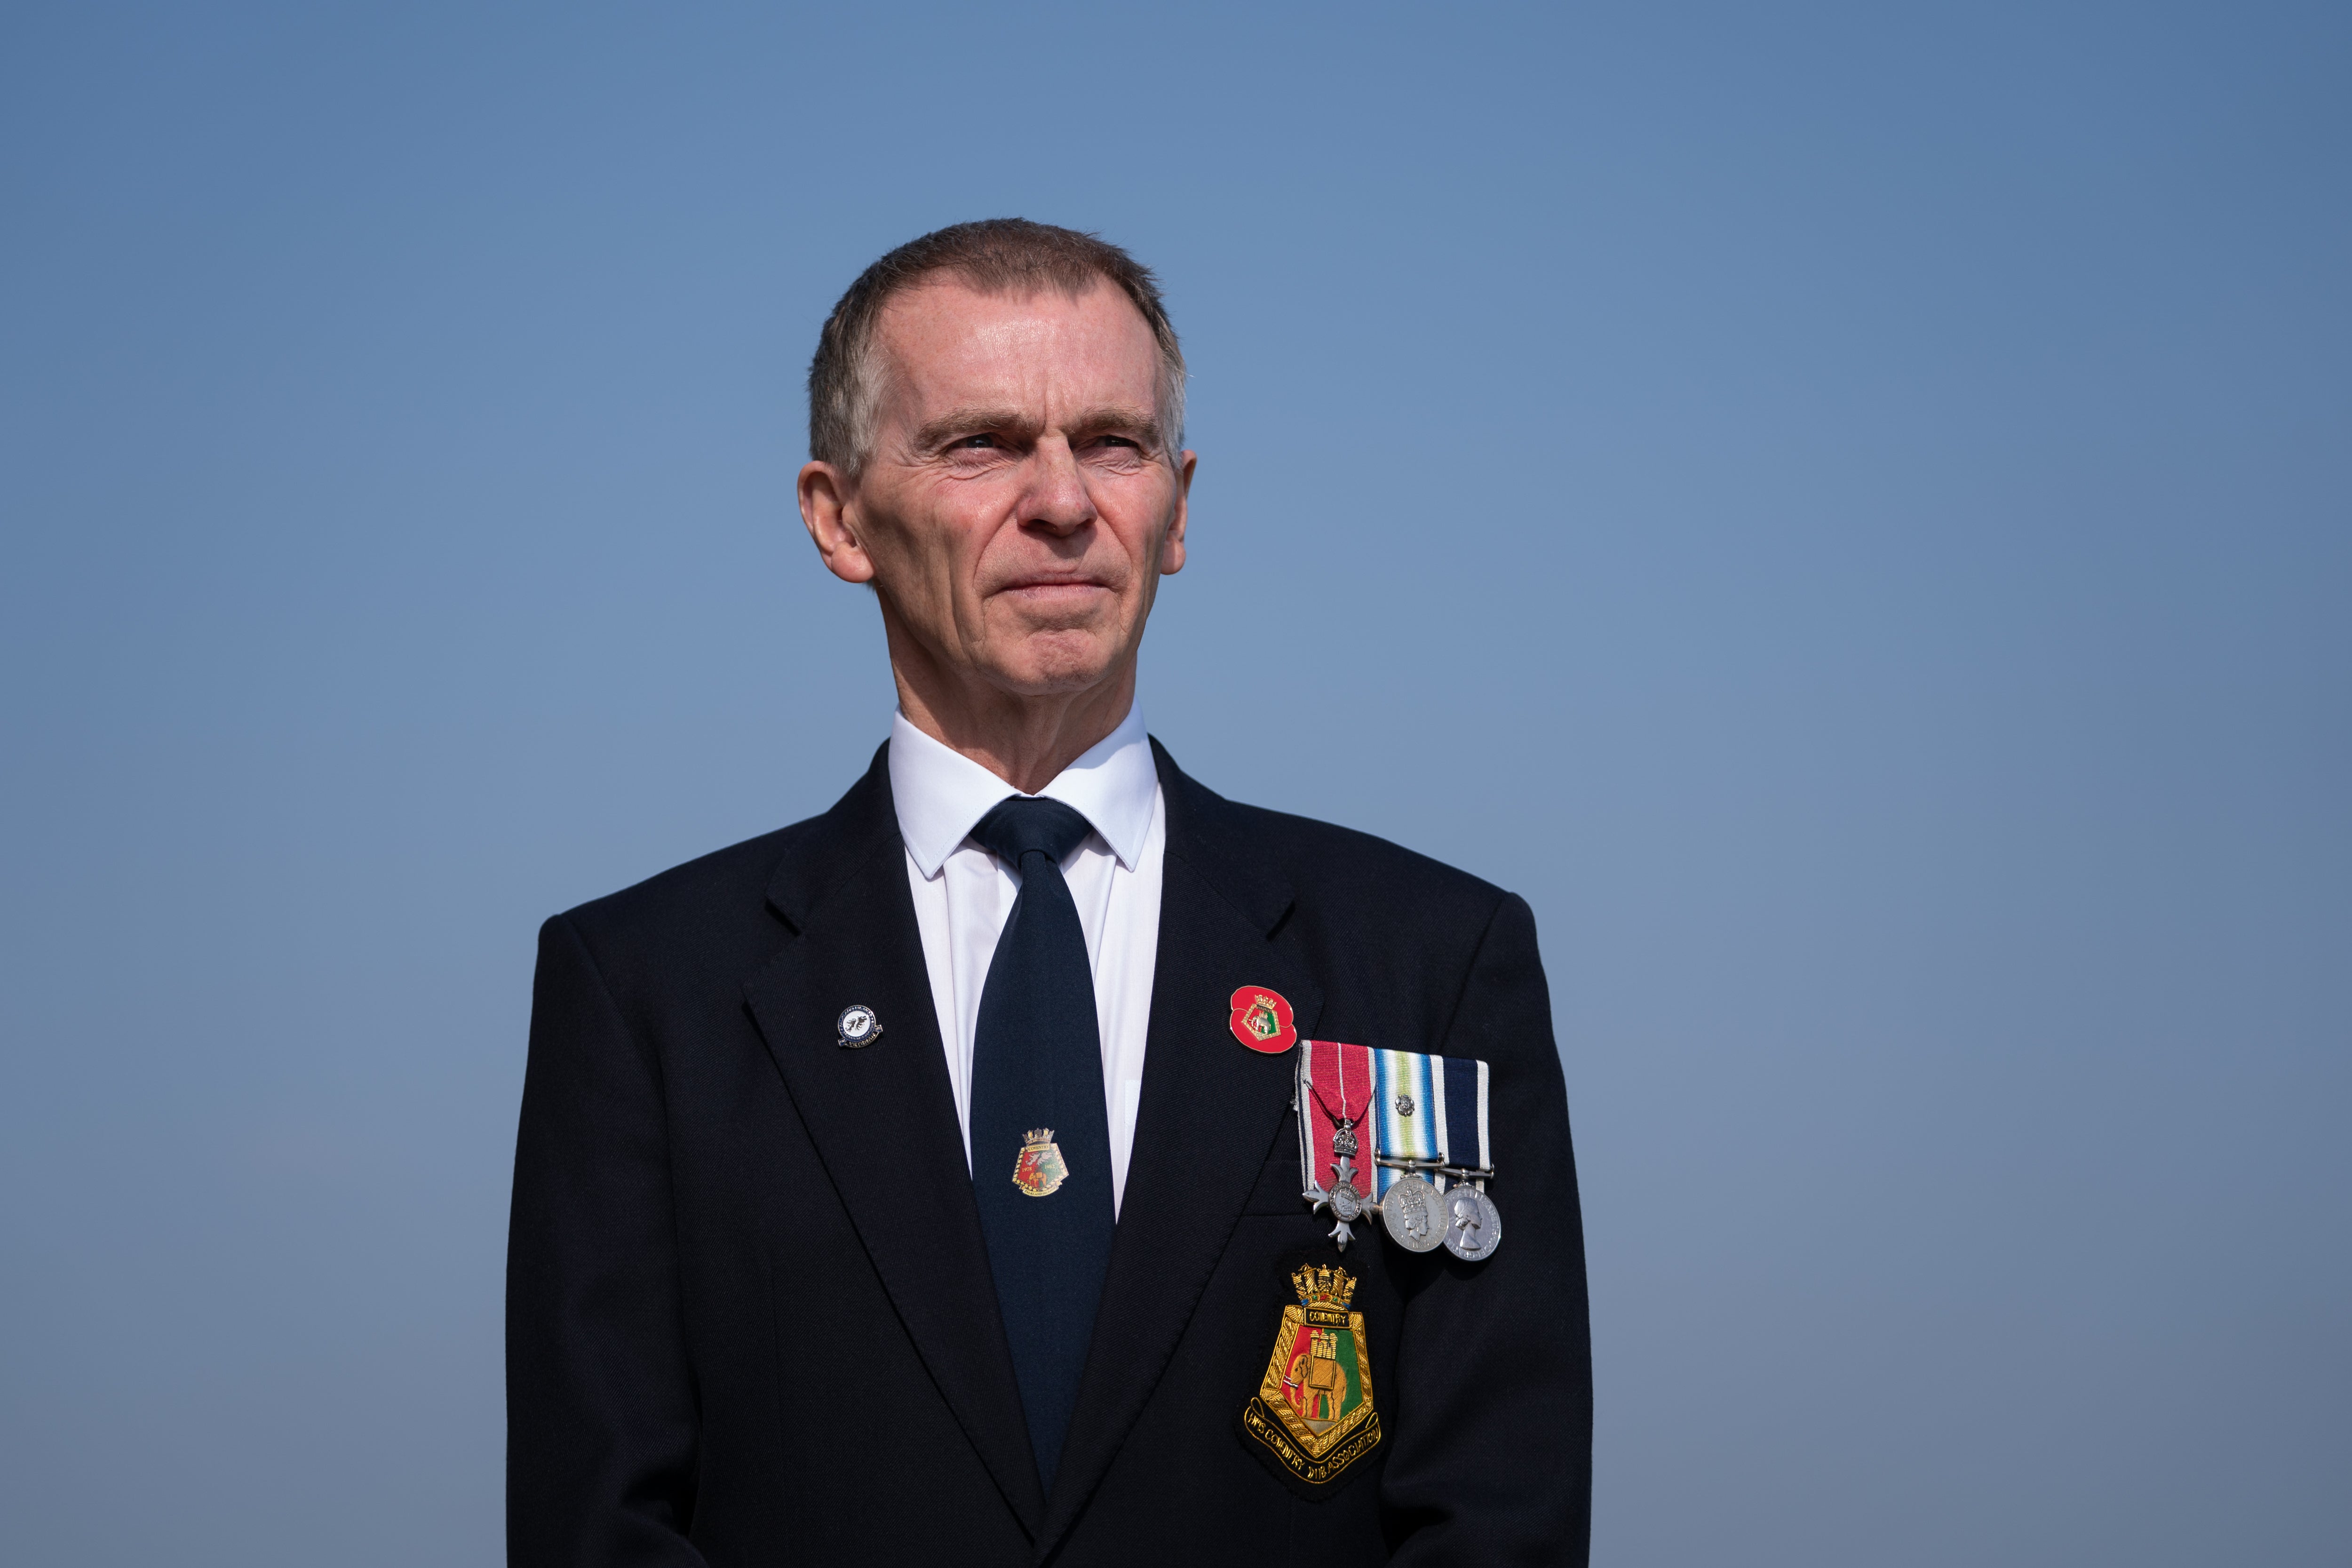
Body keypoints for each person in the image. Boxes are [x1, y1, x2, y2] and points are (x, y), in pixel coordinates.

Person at [507, 218, 1591, 1566]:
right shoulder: (648, 994)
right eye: (984, 444)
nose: (1066, 501)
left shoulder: (1427, 962)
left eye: (1114, 444)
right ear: (838, 518)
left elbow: (1500, 1515)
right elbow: (597, 1523)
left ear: (1179, 512)